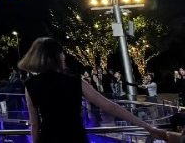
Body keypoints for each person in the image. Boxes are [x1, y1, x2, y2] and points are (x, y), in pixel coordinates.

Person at [19, 37, 173, 143]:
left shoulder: (30, 85)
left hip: (48, 138)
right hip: (75, 137)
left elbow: (34, 124)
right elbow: (110, 106)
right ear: (57, 56)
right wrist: (147, 127)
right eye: (62, 53)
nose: (64, 56)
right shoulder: (75, 82)